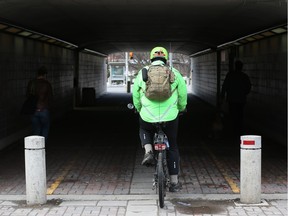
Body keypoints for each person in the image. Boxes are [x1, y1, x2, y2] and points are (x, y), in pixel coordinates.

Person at [132, 46, 187, 192]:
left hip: (148, 115)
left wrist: (138, 108)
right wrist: (181, 108)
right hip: (170, 116)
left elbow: (135, 95)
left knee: (143, 128)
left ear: (151, 58)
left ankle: (148, 151)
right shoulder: (174, 73)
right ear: (165, 58)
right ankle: (174, 183)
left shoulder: (143, 73)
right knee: (173, 146)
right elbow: (183, 95)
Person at [221, 60, 251, 144]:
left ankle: (233, 131)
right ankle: (239, 131)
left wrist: (222, 96)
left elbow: (225, 86)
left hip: (232, 99)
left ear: (235, 66)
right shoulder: (244, 76)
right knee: (240, 115)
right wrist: (244, 93)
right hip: (241, 100)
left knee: (232, 114)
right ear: (241, 67)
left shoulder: (230, 75)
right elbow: (248, 87)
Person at [26, 66, 53, 143]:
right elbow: (50, 97)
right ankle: (43, 145)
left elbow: (27, 95)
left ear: (37, 74)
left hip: (33, 109)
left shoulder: (31, 83)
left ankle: (36, 145)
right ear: (45, 74)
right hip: (44, 109)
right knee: (45, 127)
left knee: (36, 129)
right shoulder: (47, 84)